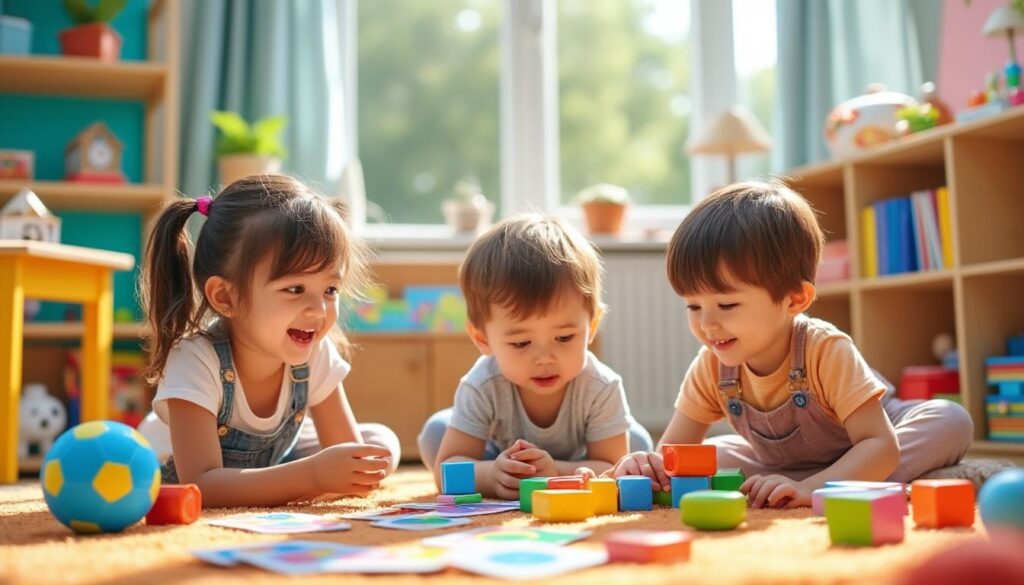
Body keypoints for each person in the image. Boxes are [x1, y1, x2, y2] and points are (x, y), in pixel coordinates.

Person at [606, 180, 972, 508]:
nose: (706, 323)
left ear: (795, 299)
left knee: (950, 419)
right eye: (693, 305)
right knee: (712, 455)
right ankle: (833, 478)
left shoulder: (825, 349)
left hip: (872, 437)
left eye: (727, 305)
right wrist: (649, 465)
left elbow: (881, 443)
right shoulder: (712, 365)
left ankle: (839, 480)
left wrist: (813, 487)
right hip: (780, 462)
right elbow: (676, 453)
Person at [137, 175, 400, 507]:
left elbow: (345, 449)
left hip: (272, 464)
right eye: (294, 289)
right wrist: (314, 476)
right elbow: (203, 485)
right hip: (176, 471)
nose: (319, 311)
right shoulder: (195, 359)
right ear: (225, 296)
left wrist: (350, 469)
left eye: (330, 290)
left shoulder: (314, 352)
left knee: (382, 441)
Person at [417, 215, 653, 499]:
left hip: (579, 461)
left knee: (637, 448)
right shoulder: (482, 384)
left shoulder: (601, 386)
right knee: (435, 433)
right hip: (497, 453)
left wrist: (553, 472)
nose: (544, 358)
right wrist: (492, 475)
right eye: (521, 342)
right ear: (482, 339)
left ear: (591, 327)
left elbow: (608, 469)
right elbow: (447, 473)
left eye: (564, 338)